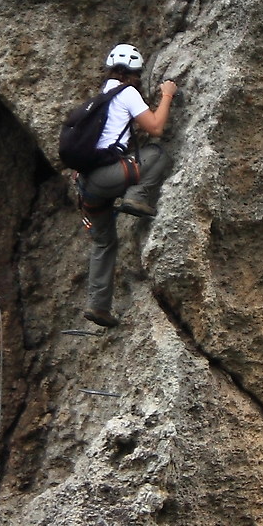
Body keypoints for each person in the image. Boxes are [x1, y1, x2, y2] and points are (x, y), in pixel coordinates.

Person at [78, 43, 177, 328]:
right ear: (135, 72)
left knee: (104, 242)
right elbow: (155, 128)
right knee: (156, 153)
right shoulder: (127, 92)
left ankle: (98, 306)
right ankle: (137, 196)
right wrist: (167, 95)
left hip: (87, 185)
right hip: (109, 176)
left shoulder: (99, 97)